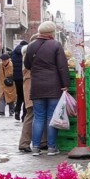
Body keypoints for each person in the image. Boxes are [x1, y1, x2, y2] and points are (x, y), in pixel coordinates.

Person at [24, 20, 72, 156]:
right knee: (52, 116)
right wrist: (65, 85)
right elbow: (62, 66)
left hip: (37, 86)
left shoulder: (31, 46)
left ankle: (36, 148)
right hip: (53, 86)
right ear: (51, 33)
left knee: (38, 117)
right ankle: (51, 148)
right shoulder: (56, 45)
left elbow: (27, 65)